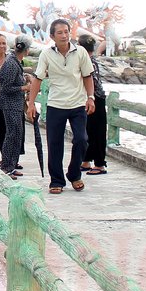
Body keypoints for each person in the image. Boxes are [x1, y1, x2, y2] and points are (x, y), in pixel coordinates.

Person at [26, 19, 95, 194]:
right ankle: (56, 180)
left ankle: (74, 174)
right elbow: (38, 78)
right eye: (60, 33)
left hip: (78, 104)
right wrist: (31, 103)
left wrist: (91, 97)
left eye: (66, 32)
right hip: (56, 104)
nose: (64, 35)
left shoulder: (80, 52)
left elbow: (87, 76)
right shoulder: (46, 54)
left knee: (82, 139)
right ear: (52, 36)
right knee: (54, 144)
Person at [0, 36, 32, 179]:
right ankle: (6, 166)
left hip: (15, 104)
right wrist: (25, 87)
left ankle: (12, 165)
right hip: (10, 104)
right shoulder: (11, 63)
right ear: (27, 50)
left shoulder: (14, 62)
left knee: (17, 135)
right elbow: (6, 88)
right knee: (12, 135)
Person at [79, 34, 108, 175]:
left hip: (95, 99)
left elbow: (93, 84)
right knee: (87, 130)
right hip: (88, 99)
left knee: (97, 132)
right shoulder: (89, 60)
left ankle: (100, 164)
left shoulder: (89, 62)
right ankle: (86, 160)